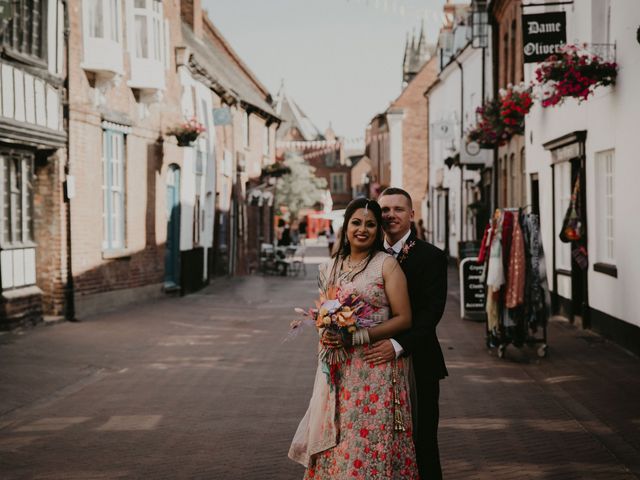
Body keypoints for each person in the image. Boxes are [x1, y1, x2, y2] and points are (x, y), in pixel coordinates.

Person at [289, 198, 419, 479]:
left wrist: (359, 336)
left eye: (371, 224)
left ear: (378, 230)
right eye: (356, 223)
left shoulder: (386, 265)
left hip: (375, 367)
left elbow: (404, 318)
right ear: (346, 226)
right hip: (340, 370)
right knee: (338, 441)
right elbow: (324, 309)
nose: (363, 229)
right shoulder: (330, 267)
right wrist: (326, 330)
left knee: (368, 442)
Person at [368, 187, 448, 480]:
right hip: (374, 364)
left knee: (423, 440)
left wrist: (398, 344)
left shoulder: (431, 257)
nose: (390, 215)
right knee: (379, 440)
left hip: (418, 360)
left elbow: (431, 314)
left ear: (412, 215)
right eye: (384, 210)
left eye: (398, 209)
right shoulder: (368, 255)